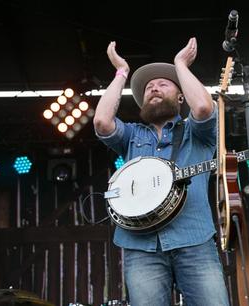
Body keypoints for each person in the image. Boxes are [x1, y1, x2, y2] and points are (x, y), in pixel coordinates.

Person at [93, 37, 230, 306]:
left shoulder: (197, 132)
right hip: (141, 246)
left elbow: (203, 107)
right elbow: (102, 121)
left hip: (195, 241)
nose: (153, 88)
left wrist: (180, 65)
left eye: (163, 84)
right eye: (148, 88)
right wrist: (121, 73)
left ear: (181, 96)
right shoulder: (132, 135)